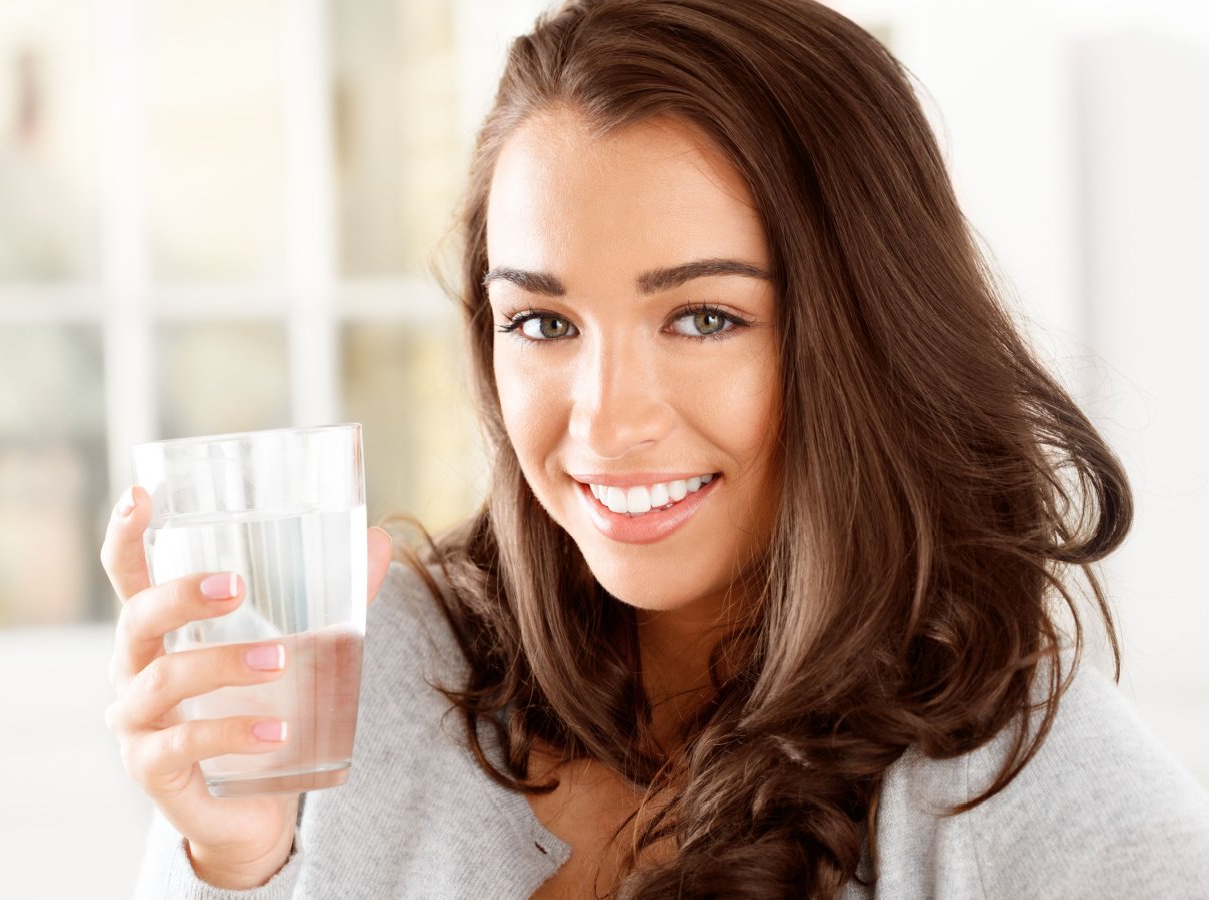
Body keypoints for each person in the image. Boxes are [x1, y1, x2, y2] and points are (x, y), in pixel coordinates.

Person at [103, 0, 1209, 896]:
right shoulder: (371, 674)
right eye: (543, 323)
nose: (602, 421)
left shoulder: (1045, 806)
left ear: (868, 337)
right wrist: (235, 867)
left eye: (703, 318)